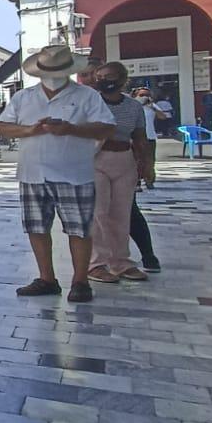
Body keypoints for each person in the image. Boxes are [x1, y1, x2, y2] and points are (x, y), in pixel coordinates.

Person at [0, 43, 114, 303]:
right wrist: (29, 130)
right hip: (33, 173)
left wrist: (71, 129)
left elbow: (106, 128)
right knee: (36, 228)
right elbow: (2, 126)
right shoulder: (24, 97)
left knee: (79, 229)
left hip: (74, 173)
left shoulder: (87, 96)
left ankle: (80, 281)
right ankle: (46, 278)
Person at [87, 61, 154, 283]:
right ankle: (96, 264)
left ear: (123, 80)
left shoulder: (133, 107)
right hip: (96, 159)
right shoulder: (90, 103)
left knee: (122, 213)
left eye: (109, 76)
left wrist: (147, 164)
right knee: (98, 213)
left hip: (124, 159)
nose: (103, 81)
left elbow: (140, 137)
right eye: (99, 77)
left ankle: (120, 262)